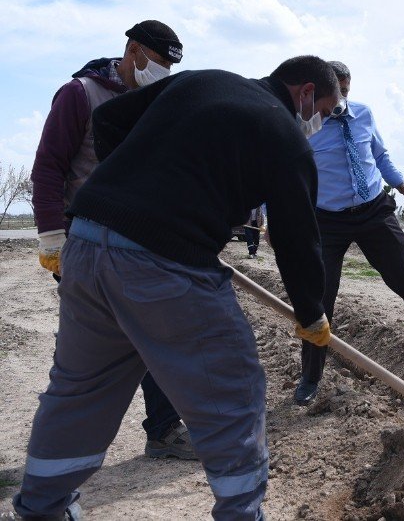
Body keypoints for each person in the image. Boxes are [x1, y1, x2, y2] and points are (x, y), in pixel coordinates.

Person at [11, 56, 340, 520]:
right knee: (232, 391)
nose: (320, 123)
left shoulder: (200, 81)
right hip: (161, 266)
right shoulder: (285, 137)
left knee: (81, 389)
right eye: (326, 110)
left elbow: (108, 118)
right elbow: (296, 238)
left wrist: (131, 188)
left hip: (87, 242)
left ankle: (42, 508)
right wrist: (311, 314)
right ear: (306, 93)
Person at [29, 20, 196, 462]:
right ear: (134, 50)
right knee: (88, 348)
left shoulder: (155, 102)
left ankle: (162, 431)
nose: (161, 73)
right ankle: (58, 444)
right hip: (83, 243)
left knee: (158, 336)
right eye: (157, 63)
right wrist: (51, 238)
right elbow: (48, 168)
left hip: (139, 242)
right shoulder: (80, 94)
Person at [293, 60, 404, 406]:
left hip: (373, 209)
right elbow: (284, 169)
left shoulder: (364, 114)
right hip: (327, 218)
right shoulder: (303, 124)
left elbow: (379, 155)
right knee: (319, 299)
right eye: (335, 92)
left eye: (346, 91)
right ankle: (311, 376)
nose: (340, 100)